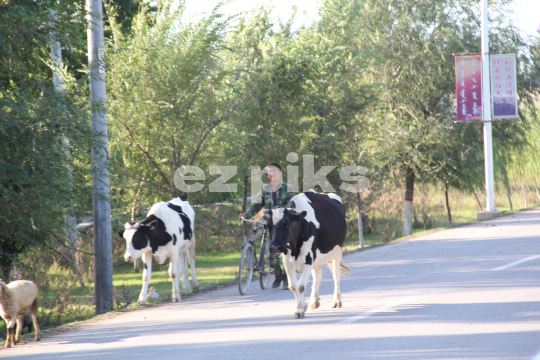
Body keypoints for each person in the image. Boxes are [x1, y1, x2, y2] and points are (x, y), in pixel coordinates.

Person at [239, 162, 295, 289]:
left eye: (274, 170)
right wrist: (247, 214)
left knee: (287, 253)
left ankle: (287, 278)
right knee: (271, 256)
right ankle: (279, 275)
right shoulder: (265, 189)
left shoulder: (288, 188)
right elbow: (256, 205)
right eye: (269, 171)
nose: (272, 173)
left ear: (280, 173)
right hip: (272, 226)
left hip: (284, 226)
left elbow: (291, 205)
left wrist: (281, 211)